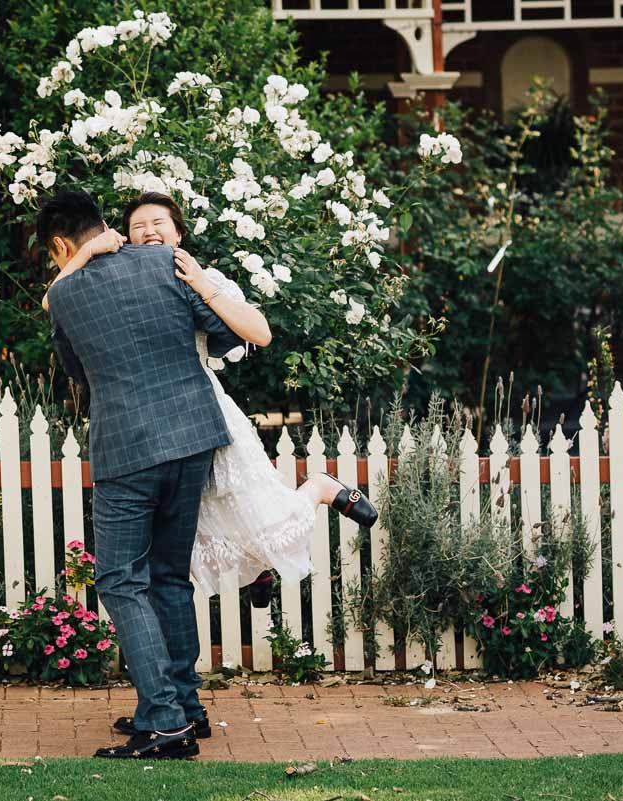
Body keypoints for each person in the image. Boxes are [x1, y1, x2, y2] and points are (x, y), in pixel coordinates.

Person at [47, 190, 377, 622]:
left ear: (178, 233)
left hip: (204, 413)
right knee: (205, 537)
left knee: (262, 514)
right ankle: (255, 572)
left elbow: (259, 333)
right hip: (161, 433)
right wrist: (90, 252)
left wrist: (201, 282)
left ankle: (319, 488)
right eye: (136, 227)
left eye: (158, 223)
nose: (147, 232)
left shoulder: (196, 275)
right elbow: (55, 301)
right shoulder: (120, 282)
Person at [42, 190, 243, 760]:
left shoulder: (63, 295)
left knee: (119, 581)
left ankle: (164, 720)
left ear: (61, 245)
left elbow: (76, 371)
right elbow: (225, 334)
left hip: (127, 446)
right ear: (106, 226)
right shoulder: (164, 261)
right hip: (193, 437)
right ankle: (186, 706)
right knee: (169, 578)